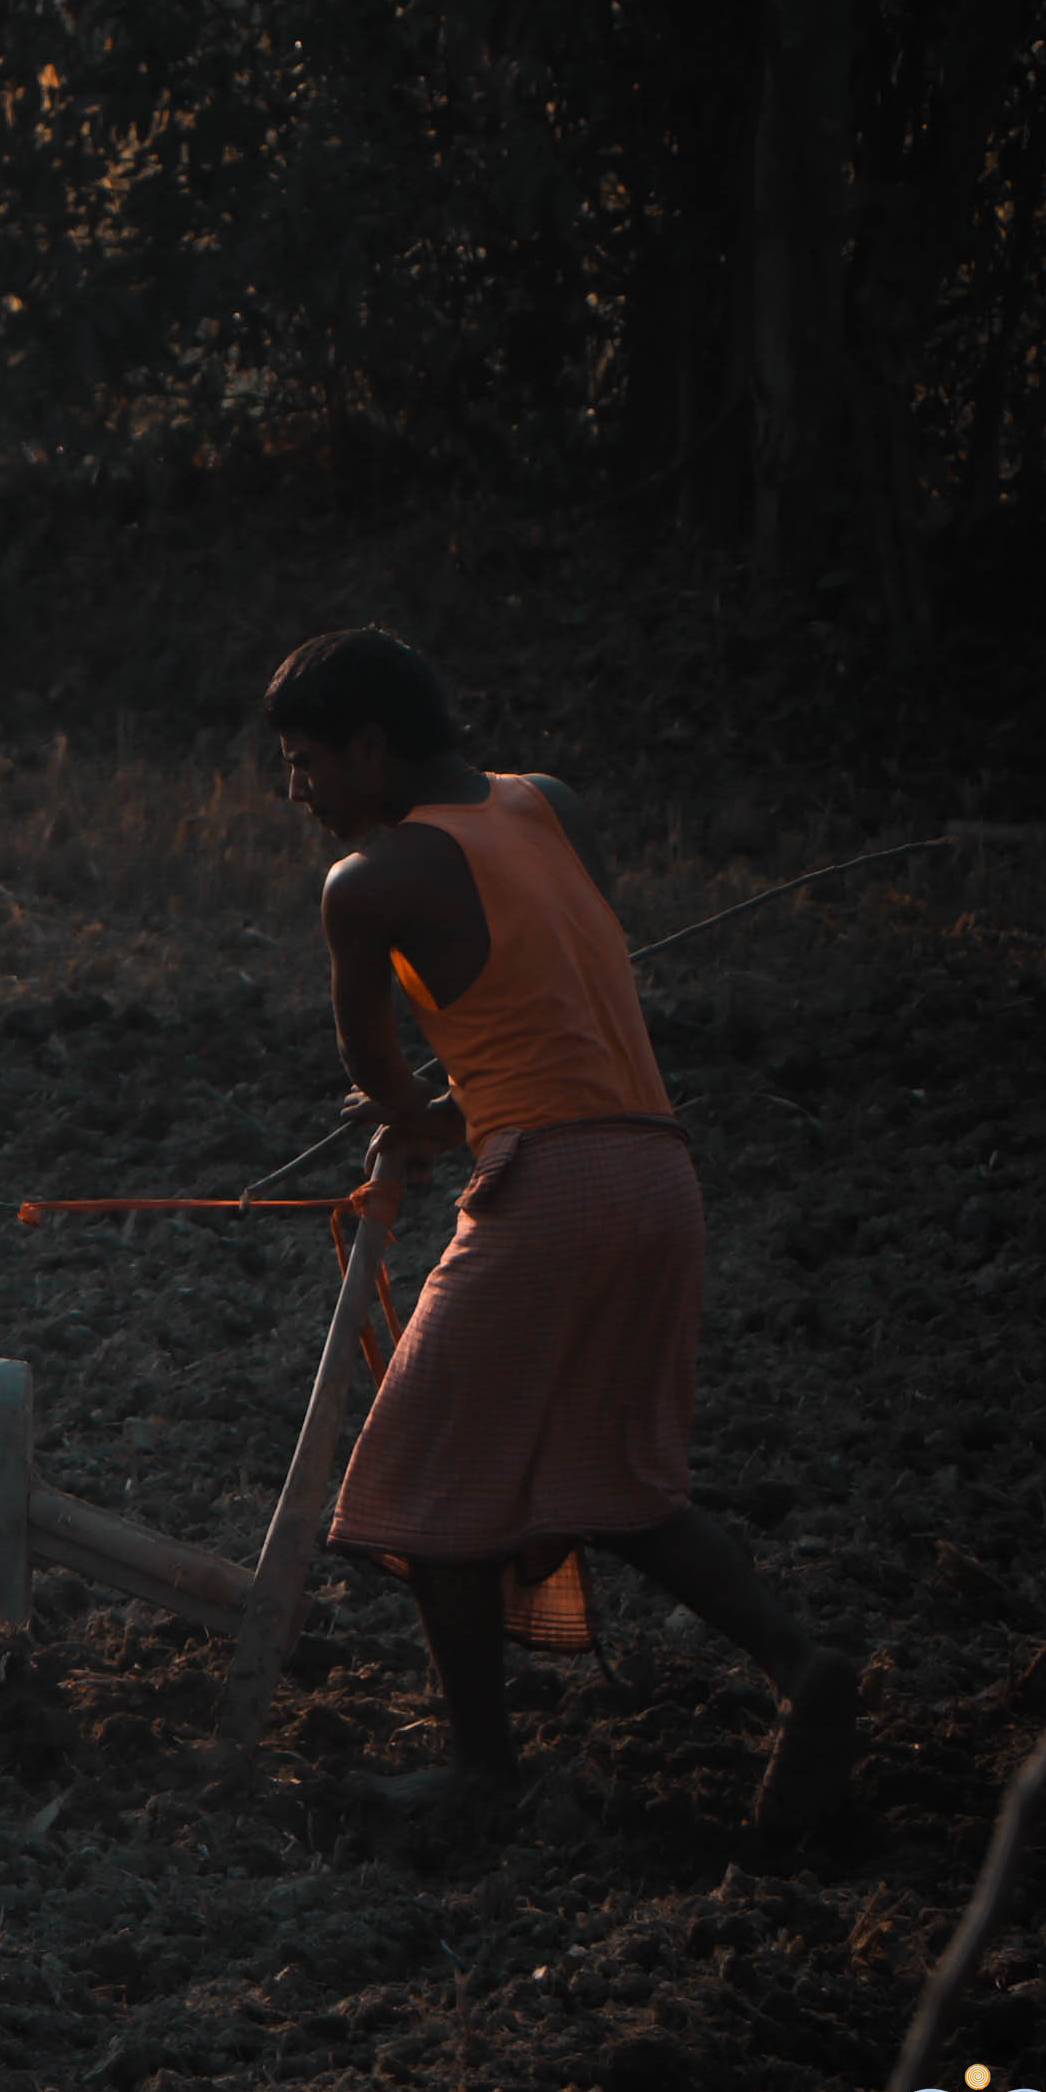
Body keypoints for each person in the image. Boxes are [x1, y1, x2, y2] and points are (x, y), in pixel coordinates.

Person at [265, 626, 859, 1833]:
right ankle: (806, 1667)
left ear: (372, 751)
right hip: (657, 1169)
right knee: (621, 1482)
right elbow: (553, 985)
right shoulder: (550, 804)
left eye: (308, 760)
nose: (300, 790)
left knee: (419, 1470)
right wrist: (457, 1109)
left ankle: (482, 1771)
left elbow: (374, 1070)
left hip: (556, 1187)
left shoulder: (366, 884)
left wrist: (415, 1119)